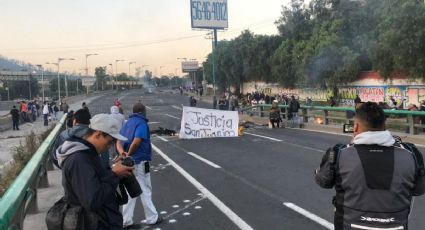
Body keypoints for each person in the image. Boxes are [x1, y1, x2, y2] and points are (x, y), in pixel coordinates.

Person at [314, 102, 425, 230]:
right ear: (384, 126)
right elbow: (419, 189)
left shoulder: (339, 153)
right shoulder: (411, 154)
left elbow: (323, 181)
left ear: (355, 127)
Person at [56, 113, 132, 229]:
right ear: (97, 134)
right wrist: (114, 174)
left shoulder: (89, 154)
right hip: (94, 223)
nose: (110, 146)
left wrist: (114, 171)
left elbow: (95, 182)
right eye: (109, 142)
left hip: (102, 221)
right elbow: (92, 200)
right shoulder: (79, 160)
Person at [117, 103, 162, 228]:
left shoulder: (127, 123)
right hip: (139, 162)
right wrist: (129, 155)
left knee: (130, 191)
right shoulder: (141, 123)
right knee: (145, 190)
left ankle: (126, 221)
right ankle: (152, 217)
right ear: (142, 112)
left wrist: (123, 154)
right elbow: (137, 141)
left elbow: (118, 142)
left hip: (127, 163)